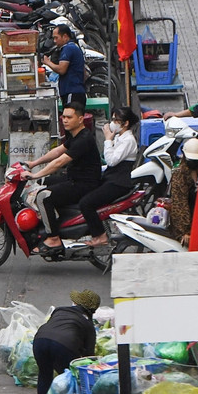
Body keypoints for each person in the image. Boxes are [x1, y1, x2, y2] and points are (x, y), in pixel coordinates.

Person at [25, 104, 103, 251]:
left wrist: (35, 174)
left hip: (84, 184)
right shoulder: (75, 135)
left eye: (69, 117)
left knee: (43, 197)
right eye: (63, 117)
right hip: (74, 178)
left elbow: (60, 162)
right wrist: (33, 163)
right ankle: (55, 219)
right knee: (42, 182)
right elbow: (58, 151)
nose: (65, 120)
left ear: (80, 119)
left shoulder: (84, 139)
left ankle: (53, 238)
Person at [76, 107, 141, 247]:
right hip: (109, 178)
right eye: (112, 119)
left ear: (126, 123)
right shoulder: (119, 137)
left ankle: (100, 235)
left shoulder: (128, 140)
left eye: (116, 120)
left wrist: (107, 140)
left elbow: (111, 160)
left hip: (118, 184)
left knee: (86, 203)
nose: (113, 123)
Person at [32, 290, 99, 394]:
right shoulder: (88, 324)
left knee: (44, 374)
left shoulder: (59, 310)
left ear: (75, 303)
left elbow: (55, 327)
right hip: (64, 345)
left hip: (40, 341)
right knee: (71, 377)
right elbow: (89, 355)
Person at [42, 24, 86, 109]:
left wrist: (47, 62)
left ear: (65, 36)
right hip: (77, 90)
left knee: (71, 118)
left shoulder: (68, 48)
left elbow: (62, 70)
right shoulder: (74, 47)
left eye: (56, 38)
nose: (54, 41)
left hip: (72, 92)